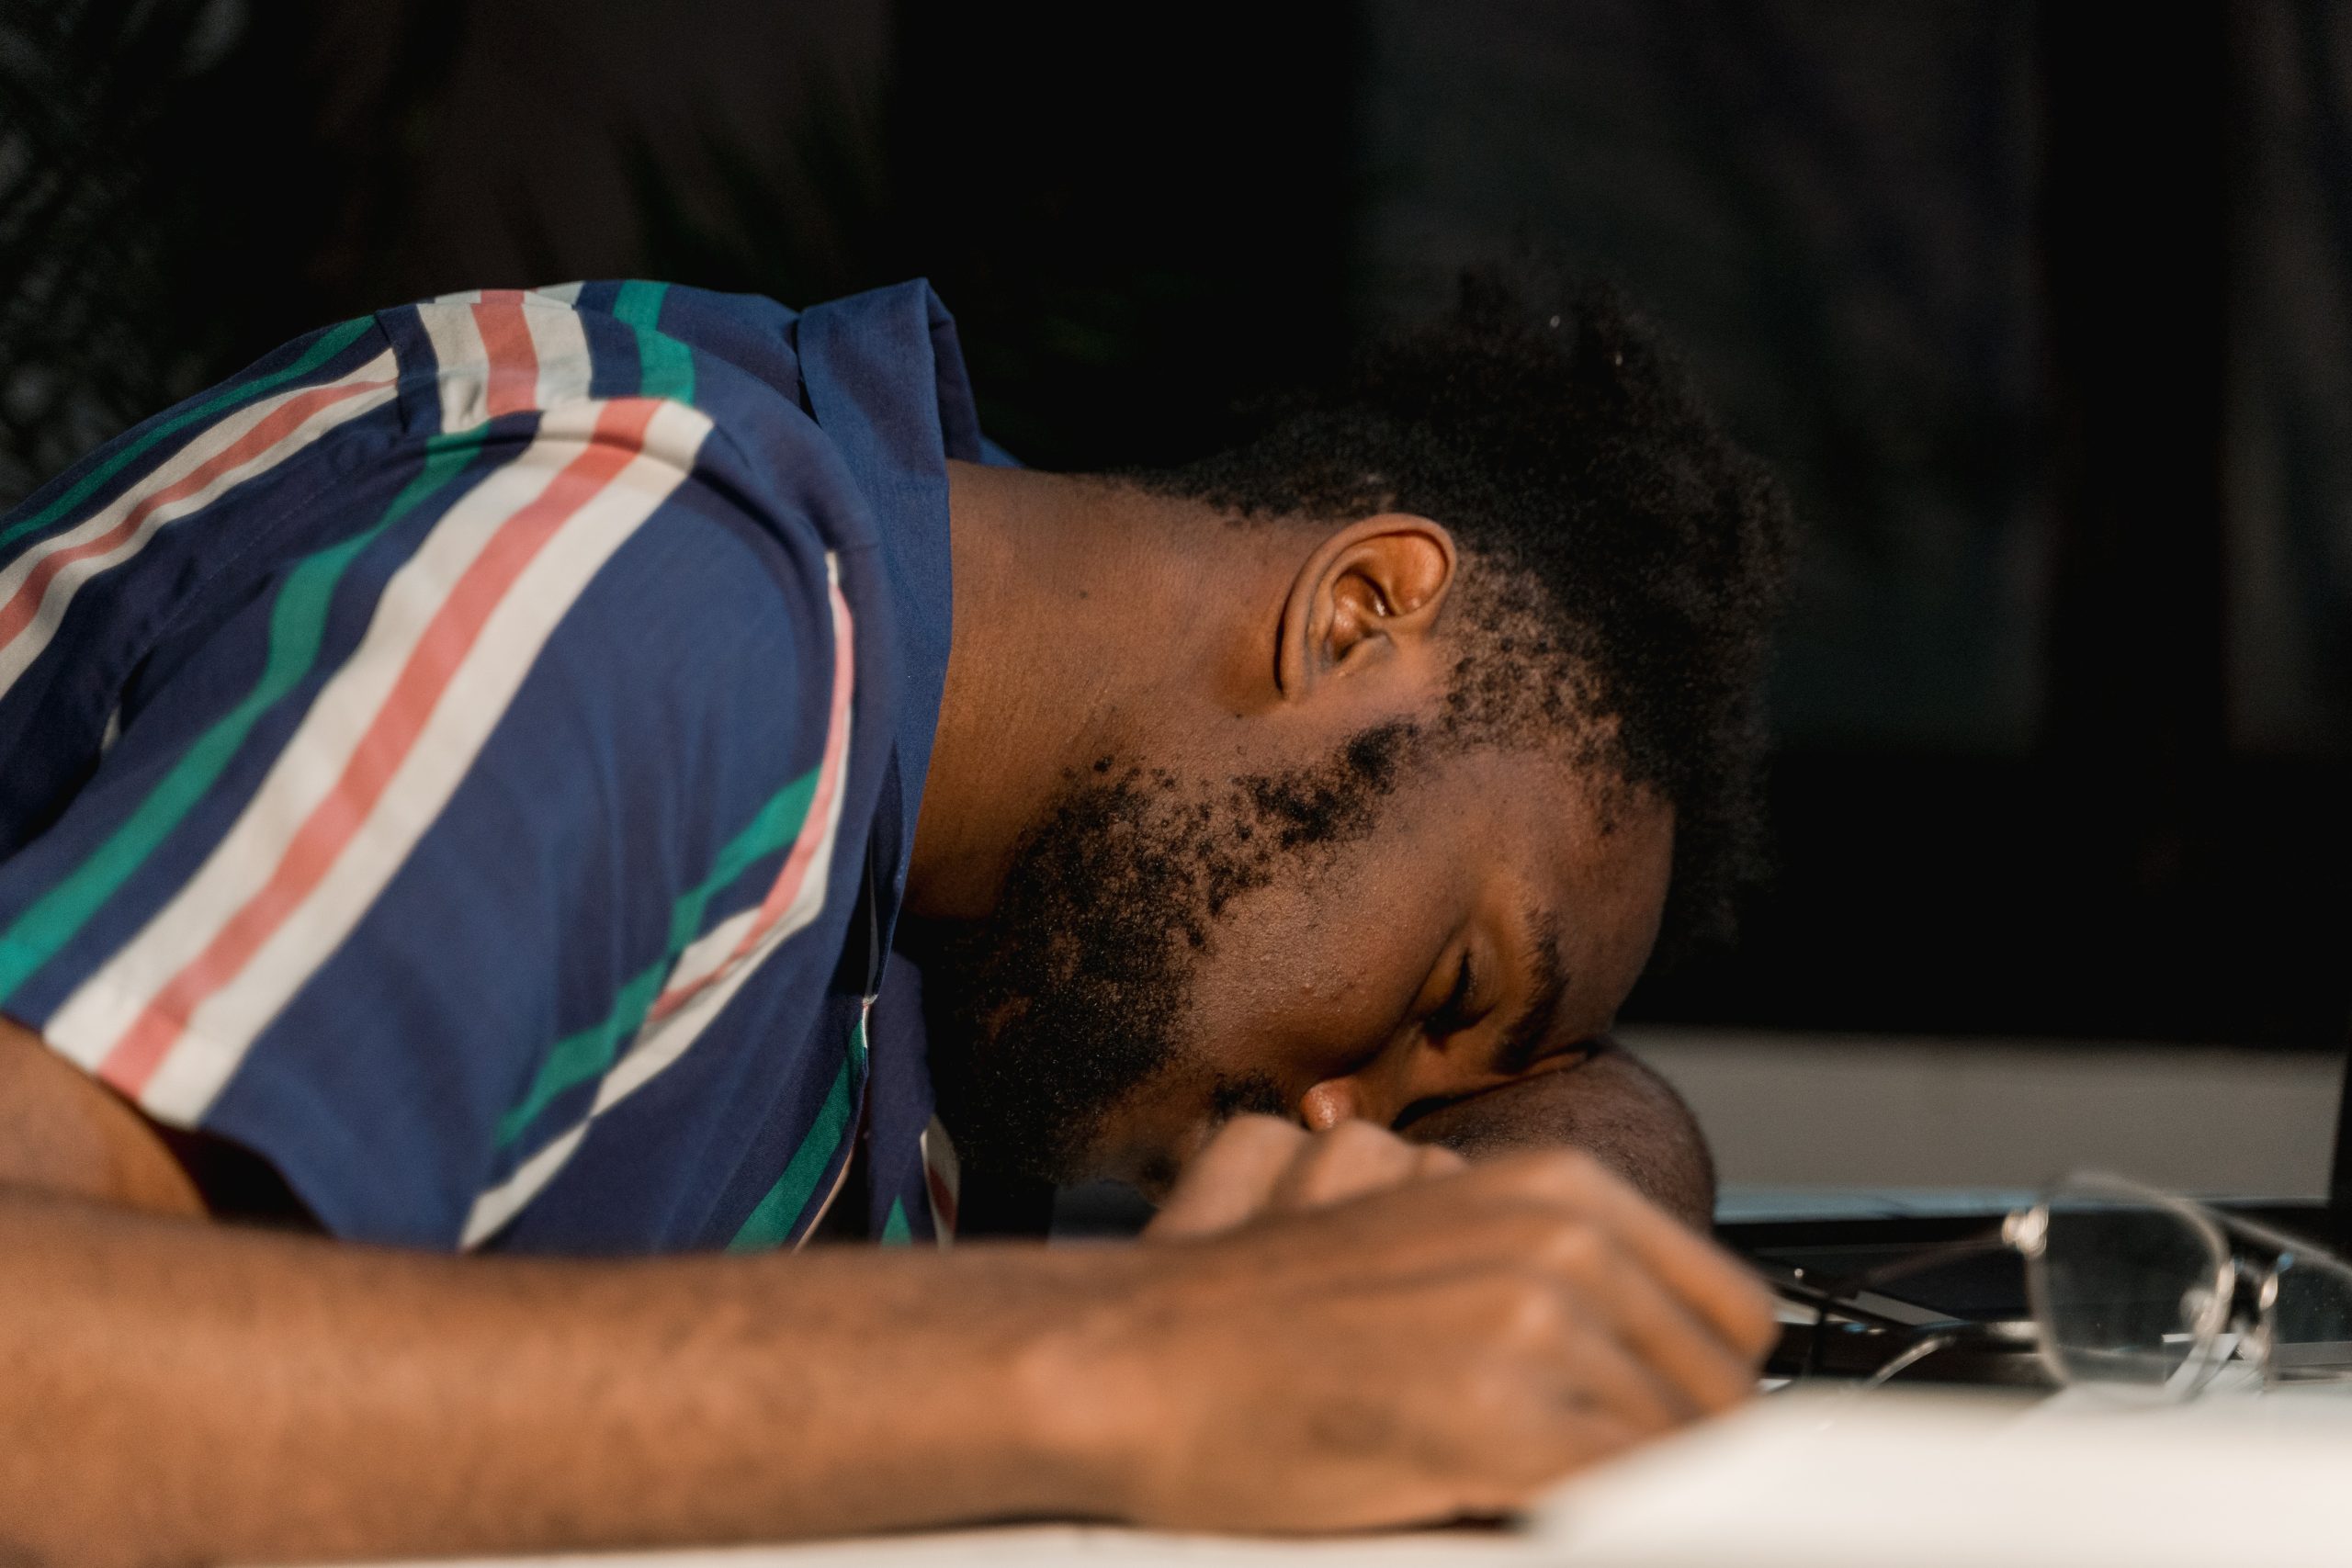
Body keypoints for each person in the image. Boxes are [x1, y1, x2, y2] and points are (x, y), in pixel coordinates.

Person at [0, 265, 1789, 1564]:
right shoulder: (643, 591)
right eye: (1444, 985)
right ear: (1354, 612)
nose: (1347, 1116)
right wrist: (1128, 1361)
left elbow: (1549, 1137)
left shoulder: (954, 854)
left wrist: (1562, 1166)